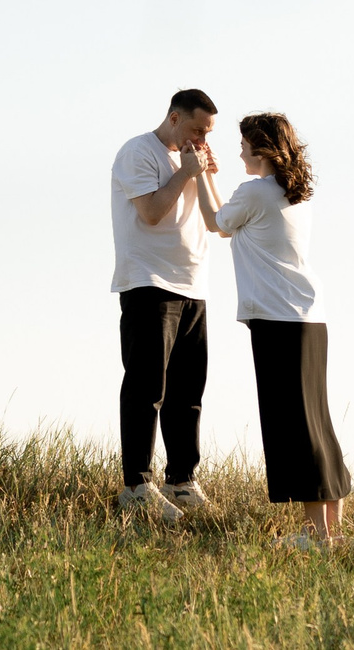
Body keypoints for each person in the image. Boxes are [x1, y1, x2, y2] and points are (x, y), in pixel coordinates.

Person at [192, 110, 351, 549]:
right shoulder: (288, 193)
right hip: (308, 319)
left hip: (278, 321)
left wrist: (199, 173)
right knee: (315, 421)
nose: (238, 148)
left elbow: (215, 223)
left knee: (294, 425)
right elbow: (228, 219)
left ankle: (315, 535)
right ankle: (331, 532)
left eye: (243, 142)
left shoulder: (256, 191)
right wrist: (207, 176)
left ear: (260, 146)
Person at [109, 88, 221, 522]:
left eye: (208, 132)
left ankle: (181, 479)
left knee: (188, 391)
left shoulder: (192, 160)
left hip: (194, 286)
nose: (201, 137)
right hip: (148, 283)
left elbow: (216, 223)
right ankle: (136, 484)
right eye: (196, 128)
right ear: (174, 118)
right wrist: (186, 174)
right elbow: (151, 213)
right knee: (146, 389)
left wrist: (205, 174)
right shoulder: (138, 152)